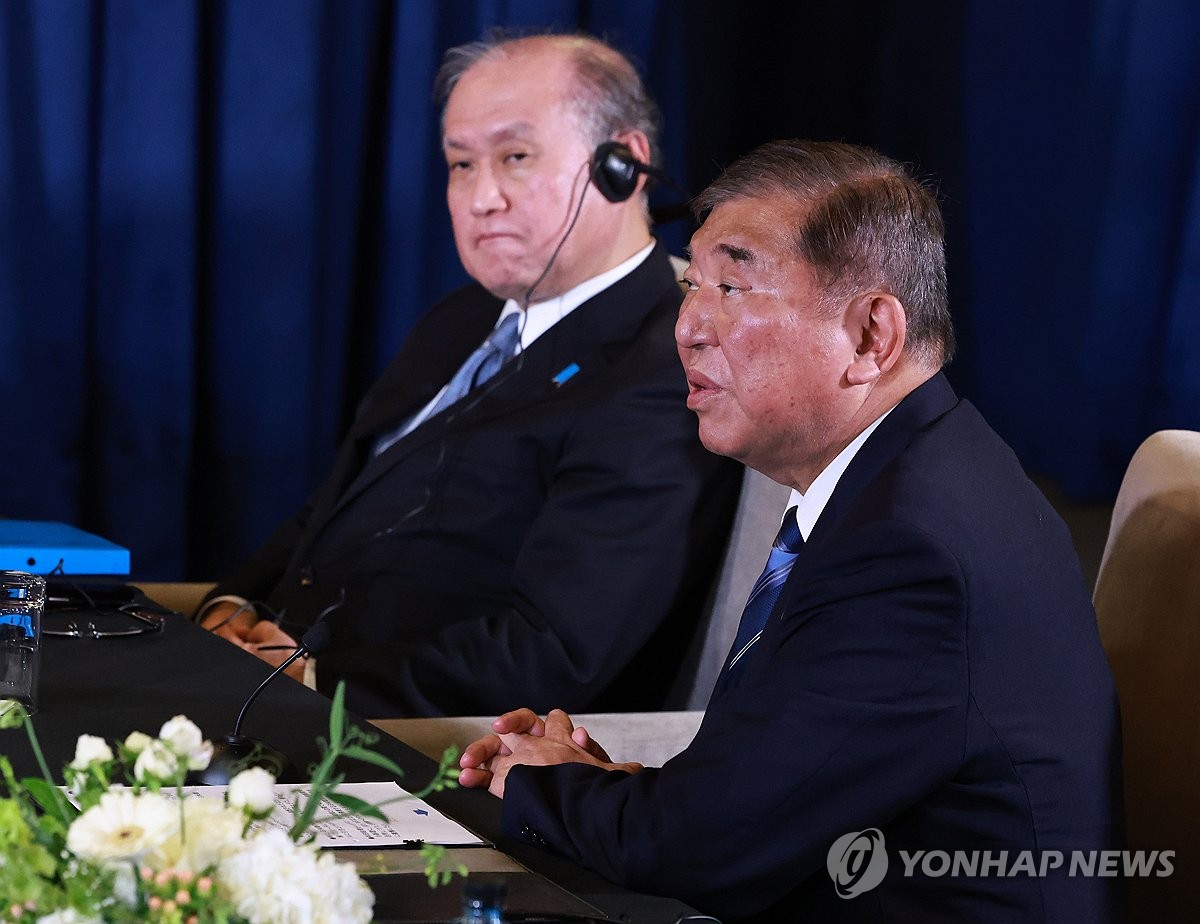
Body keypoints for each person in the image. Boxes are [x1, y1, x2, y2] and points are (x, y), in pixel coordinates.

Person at [458, 140, 1124, 922]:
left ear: (872, 336)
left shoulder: (910, 552)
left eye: (733, 286)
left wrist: (538, 780)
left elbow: (702, 850)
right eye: (693, 282)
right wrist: (607, 789)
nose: (689, 327)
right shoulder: (914, 476)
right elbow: (778, 792)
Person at [198, 33, 741, 718]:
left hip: (399, 743)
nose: (481, 198)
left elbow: (553, 651)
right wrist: (230, 608)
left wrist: (311, 681)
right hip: (256, 683)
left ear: (621, 166)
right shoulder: (461, 318)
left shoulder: (667, 368)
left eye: (515, 158)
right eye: (460, 164)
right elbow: (334, 505)